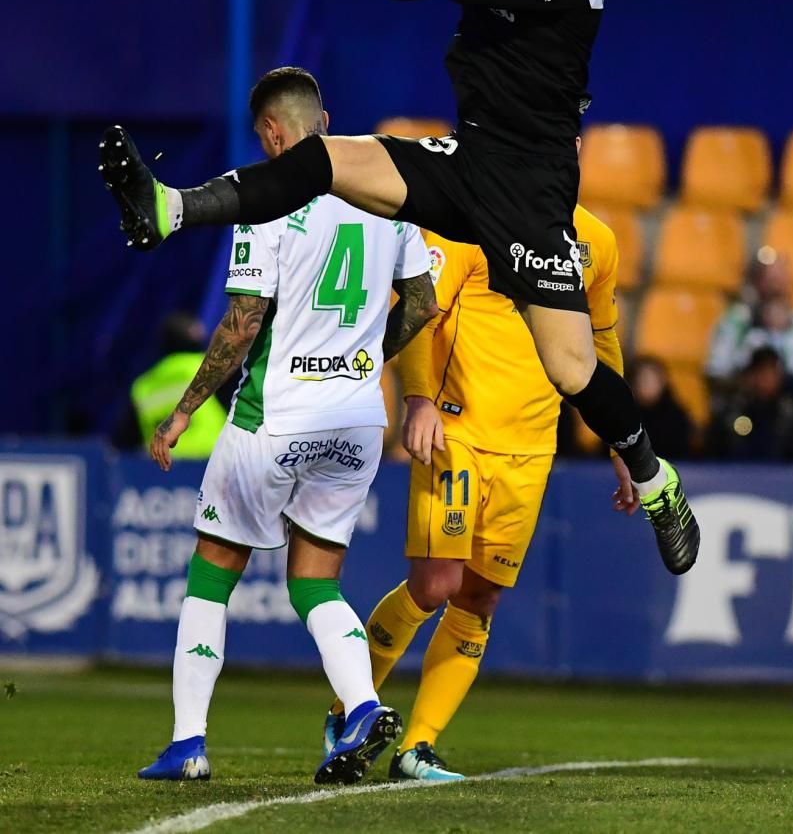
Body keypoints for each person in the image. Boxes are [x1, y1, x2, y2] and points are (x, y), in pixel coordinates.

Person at [98, 0, 699, 576]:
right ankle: (170, 209)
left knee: (573, 370)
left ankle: (655, 480)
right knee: (323, 159)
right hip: (468, 159)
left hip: (531, 188)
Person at [136, 68, 438, 785]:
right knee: (315, 583)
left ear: (273, 134)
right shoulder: (389, 192)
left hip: (275, 415)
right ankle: (362, 705)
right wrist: (366, 356)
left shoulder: (267, 201)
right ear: (324, 121)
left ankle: (187, 745)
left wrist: (184, 410)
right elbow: (423, 303)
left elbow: (242, 325)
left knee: (211, 577)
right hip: (360, 419)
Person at [323, 203, 634, 781]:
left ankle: (416, 748)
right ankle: (348, 711)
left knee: (479, 599)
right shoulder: (469, 217)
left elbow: (600, 342)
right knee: (436, 583)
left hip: (533, 447)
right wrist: (417, 400)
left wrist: (623, 446)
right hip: (456, 429)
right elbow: (419, 311)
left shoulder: (597, 242)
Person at [114, 311, 228, 457]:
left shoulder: (143, 385)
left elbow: (125, 441)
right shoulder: (209, 368)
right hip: (211, 461)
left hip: (164, 468)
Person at [706, 250, 793, 389]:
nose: (777, 285)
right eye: (771, 279)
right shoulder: (736, 320)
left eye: (781, 278)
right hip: (746, 402)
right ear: (757, 281)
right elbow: (716, 371)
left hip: (792, 403)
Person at [706, 347, 793, 461]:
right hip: (738, 475)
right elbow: (719, 453)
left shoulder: (789, 414)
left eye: (772, 372)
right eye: (762, 372)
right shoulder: (734, 412)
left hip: (781, 476)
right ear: (752, 375)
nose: (768, 378)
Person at [627, 355, 695, 460]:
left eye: (652, 381)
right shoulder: (622, 416)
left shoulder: (677, 417)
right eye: (643, 380)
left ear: (662, 382)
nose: (647, 386)